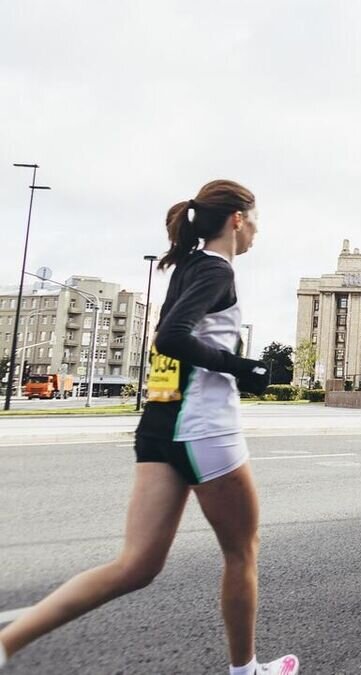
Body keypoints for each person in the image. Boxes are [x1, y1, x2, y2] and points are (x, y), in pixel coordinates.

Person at [0, 181, 298, 675]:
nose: (257, 232)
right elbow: (172, 337)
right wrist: (244, 368)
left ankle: (8, 644)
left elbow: (167, 342)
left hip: (161, 423)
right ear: (238, 220)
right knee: (242, 551)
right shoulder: (217, 270)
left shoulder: (186, 267)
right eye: (256, 220)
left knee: (135, 566)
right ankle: (246, 672)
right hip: (205, 429)